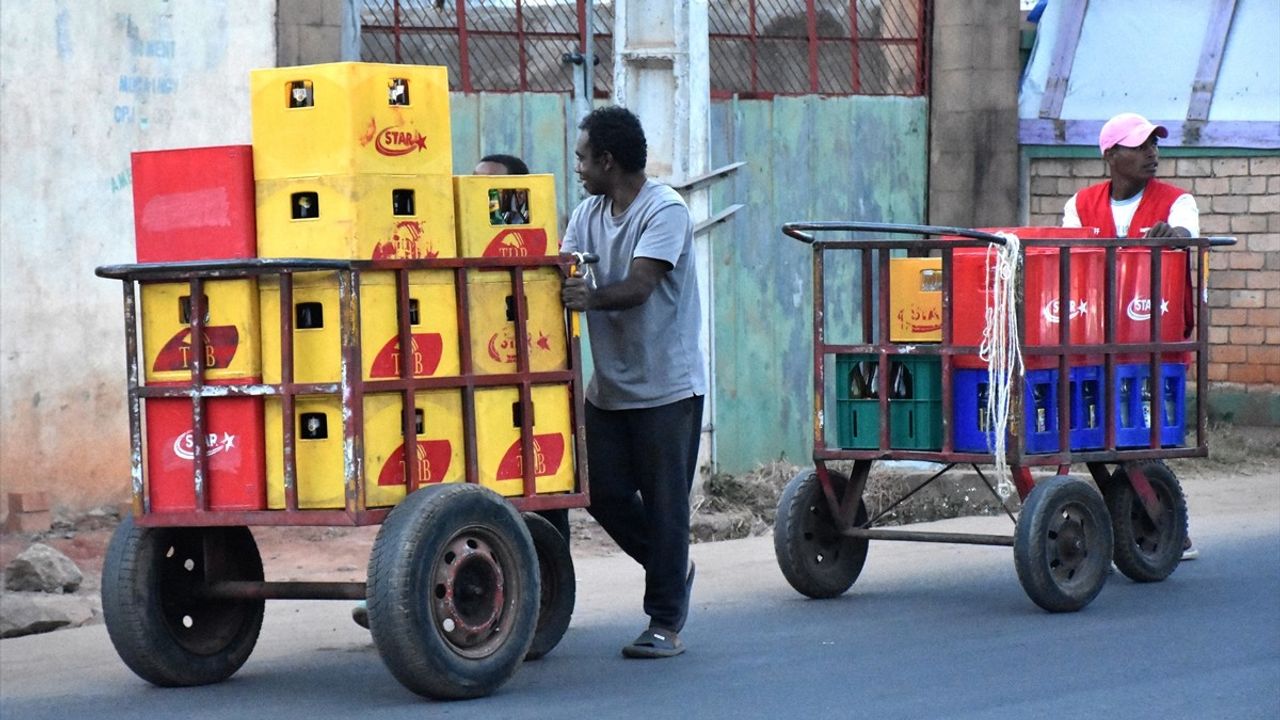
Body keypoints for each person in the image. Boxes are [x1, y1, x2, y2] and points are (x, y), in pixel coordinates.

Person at [560, 106, 705, 659]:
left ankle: (665, 621)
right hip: (610, 391)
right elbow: (567, 269)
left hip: (666, 390)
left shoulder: (664, 210)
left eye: (582, 156)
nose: (577, 166)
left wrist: (589, 296)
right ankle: (673, 566)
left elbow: (642, 285)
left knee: (666, 505)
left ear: (607, 159)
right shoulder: (587, 213)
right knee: (597, 491)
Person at [1063, 112, 1200, 561]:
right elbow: (1065, 254)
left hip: (1154, 340)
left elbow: (1187, 235)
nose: (1152, 154)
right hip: (1093, 339)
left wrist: (1174, 237)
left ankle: (1163, 523)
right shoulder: (1080, 205)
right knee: (1101, 431)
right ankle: (1141, 522)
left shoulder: (1177, 201)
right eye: (1140, 146)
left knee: (1142, 429)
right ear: (1110, 155)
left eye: (1154, 145)